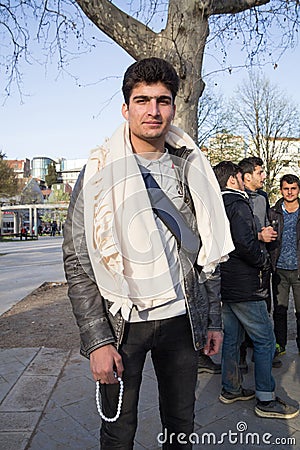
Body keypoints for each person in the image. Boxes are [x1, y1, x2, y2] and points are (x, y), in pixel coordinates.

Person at [62, 57, 234, 449]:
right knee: (118, 433)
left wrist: (213, 320)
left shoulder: (192, 167)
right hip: (122, 325)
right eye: (142, 100)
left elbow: (206, 251)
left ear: (174, 106)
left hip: (181, 320)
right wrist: (97, 341)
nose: (153, 111)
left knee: (180, 426)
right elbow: (77, 258)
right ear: (126, 108)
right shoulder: (97, 172)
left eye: (163, 100)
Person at [213, 160, 299, 419]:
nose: (262, 176)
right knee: (264, 341)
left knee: (233, 338)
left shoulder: (219, 204)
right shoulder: (238, 204)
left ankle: (231, 388)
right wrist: (263, 263)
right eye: (258, 172)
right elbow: (244, 243)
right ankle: (266, 398)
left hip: (228, 283)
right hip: (245, 285)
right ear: (234, 179)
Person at [238, 157, 280, 372]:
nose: (264, 176)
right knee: (242, 316)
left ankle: (263, 351)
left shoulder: (263, 197)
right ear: (246, 177)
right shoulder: (235, 199)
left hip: (262, 264)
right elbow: (235, 235)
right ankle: (241, 356)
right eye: (260, 172)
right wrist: (258, 236)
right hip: (242, 267)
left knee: (265, 308)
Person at [268, 174, 300, 356]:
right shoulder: (273, 212)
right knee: (279, 311)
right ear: (281, 190)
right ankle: (280, 344)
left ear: (298, 189)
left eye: (293, 188)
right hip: (279, 269)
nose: (289, 192)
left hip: (298, 269)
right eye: (286, 188)